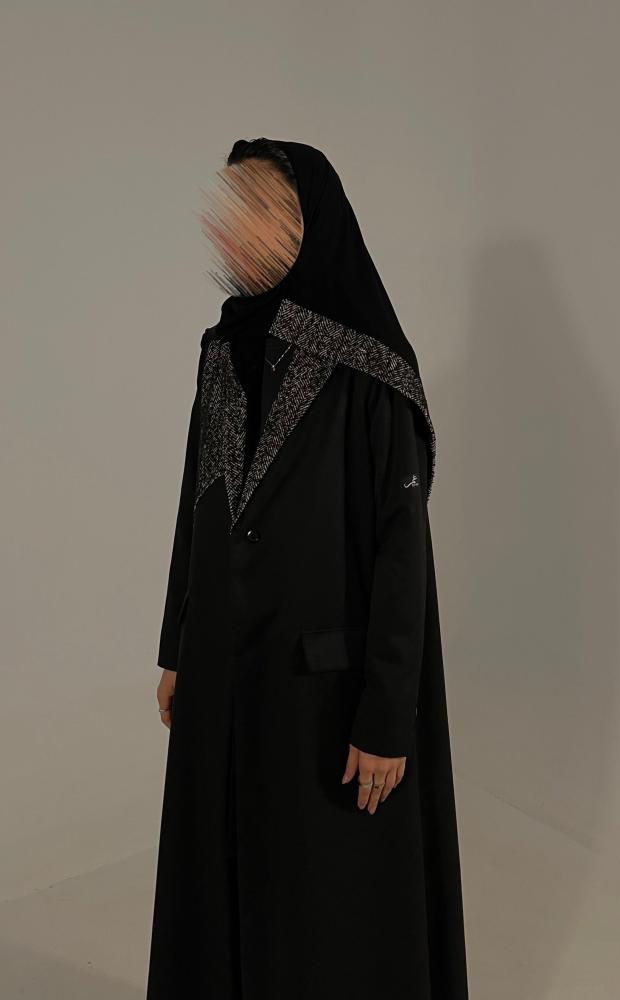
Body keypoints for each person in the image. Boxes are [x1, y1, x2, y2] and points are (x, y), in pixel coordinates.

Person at [146, 138, 468, 1000]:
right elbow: (197, 501)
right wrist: (177, 643)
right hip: (223, 675)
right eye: (227, 211)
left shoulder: (372, 369)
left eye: (256, 210)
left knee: (321, 909)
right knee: (221, 888)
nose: (232, 230)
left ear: (308, 226)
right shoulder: (222, 353)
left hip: (323, 692)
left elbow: (402, 550)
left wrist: (387, 714)